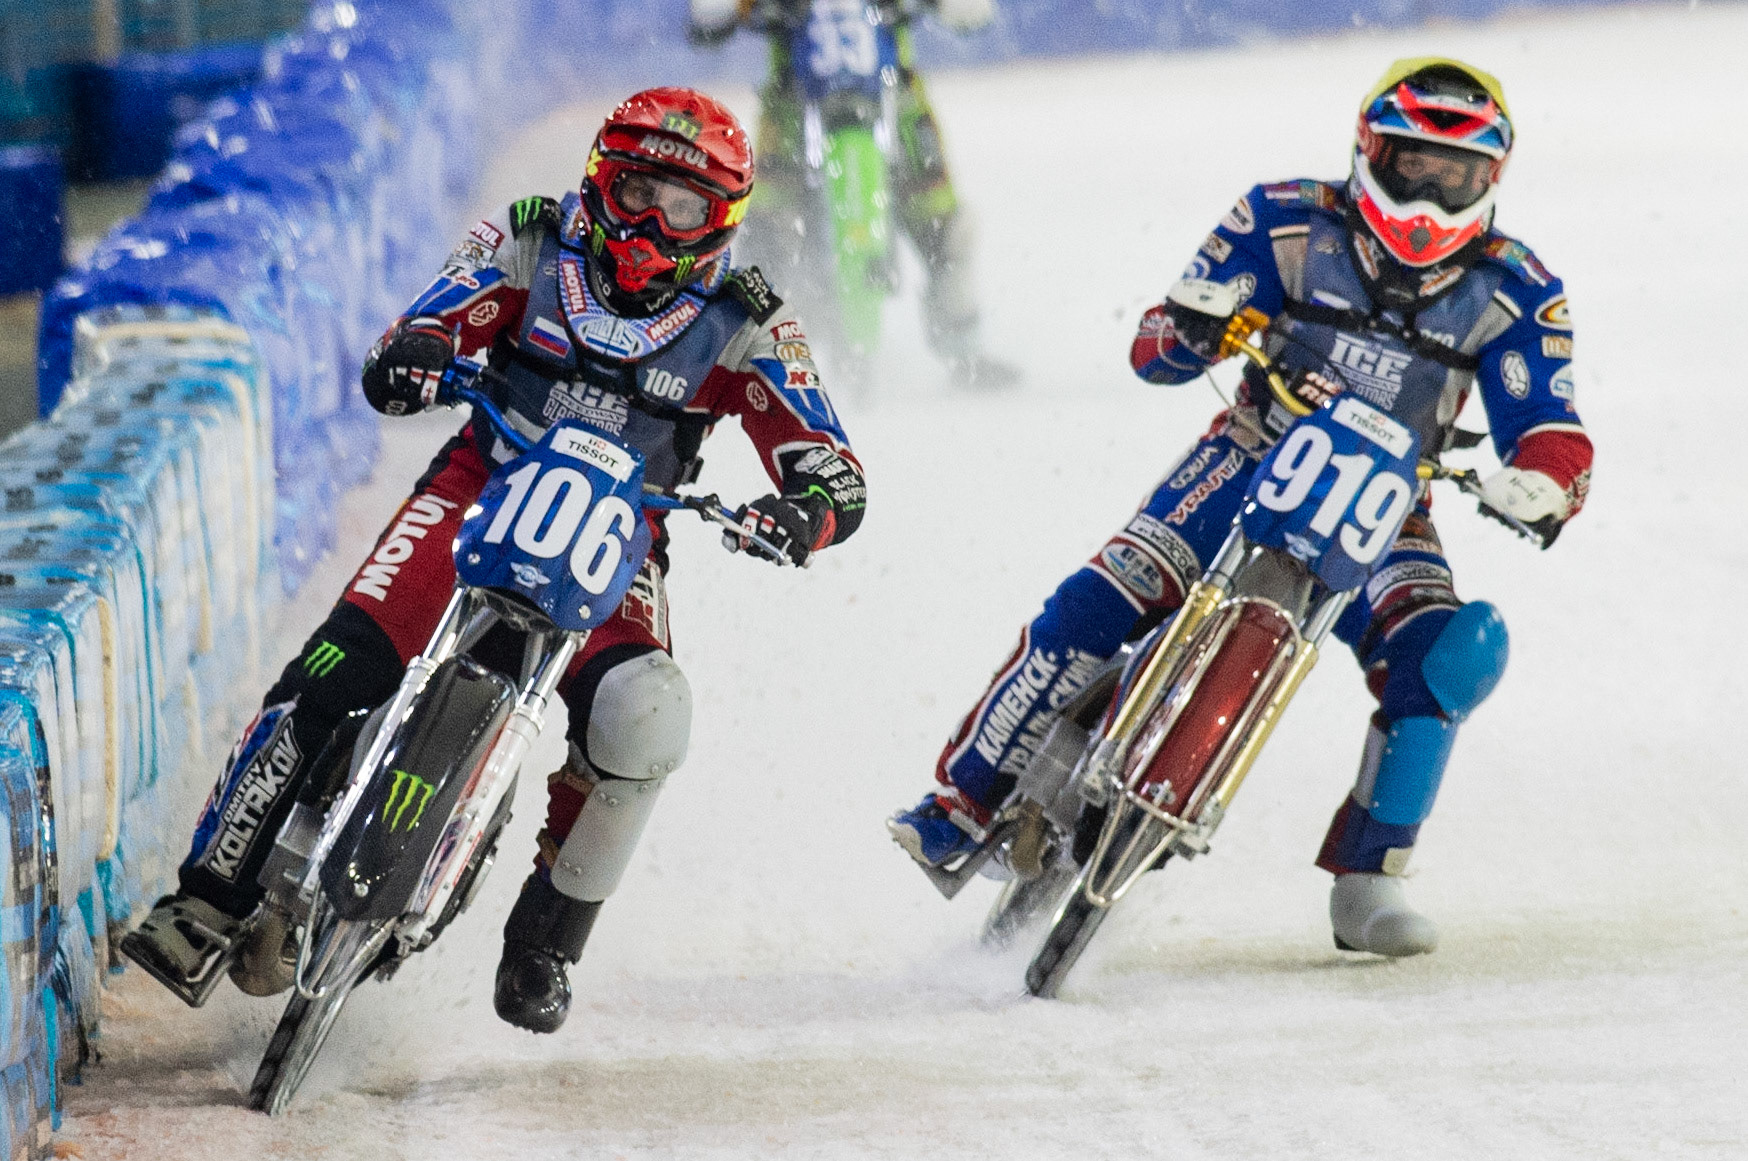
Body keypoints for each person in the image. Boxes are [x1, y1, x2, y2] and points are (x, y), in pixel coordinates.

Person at [120, 87, 868, 1033]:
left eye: (678, 206)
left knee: (646, 716)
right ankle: (209, 895)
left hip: (621, 532)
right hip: (480, 479)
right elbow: (425, 323)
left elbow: (832, 465)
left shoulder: (752, 322)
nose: (646, 222)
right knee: (338, 660)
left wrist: (803, 509)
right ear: (599, 176)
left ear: (717, 223)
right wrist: (418, 353)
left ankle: (545, 943)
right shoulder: (526, 243)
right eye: (633, 187)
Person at [888, 58, 1591, 957]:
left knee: (1448, 657)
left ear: (1491, 179)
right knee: (1095, 606)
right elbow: (1156, 346)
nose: (1426, 189)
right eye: (1410, 161)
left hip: (1387, 502)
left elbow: (1553, 424)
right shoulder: (1282, 216)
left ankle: (1370, 877)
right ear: (1367, 150)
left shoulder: (1520, 288)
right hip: (1247, 454)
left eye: (1452, 173)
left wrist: (1544, 480)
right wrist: (1195, 327)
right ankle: (960, 802)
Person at [688, 0, 1017, 385]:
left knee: (942, 221)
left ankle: (964, 349)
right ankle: (748, 354)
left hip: (892, 94)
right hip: (794, 96)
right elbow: (715, 14)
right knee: (766, 229)